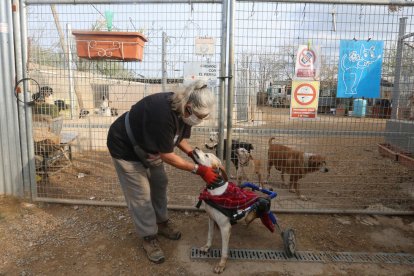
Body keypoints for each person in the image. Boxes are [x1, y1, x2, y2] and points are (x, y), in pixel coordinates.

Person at [107, 80, 223, 264]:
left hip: (149, 146)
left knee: (160, 182)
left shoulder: (186, 114)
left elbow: (180, 139)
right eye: (199, 116)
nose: (199, 120)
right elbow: (168, 155)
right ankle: (149, 237)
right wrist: (198, 169)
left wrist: (192, 153)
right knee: (141, 195)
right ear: (189, 106)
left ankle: (161, 222)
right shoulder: (162, 113)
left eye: (204, 117)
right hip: (125, 146)